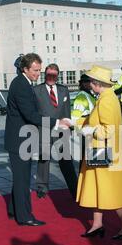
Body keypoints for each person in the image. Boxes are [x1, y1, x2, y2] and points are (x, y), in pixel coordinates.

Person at [4, 53, 70, 226]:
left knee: (20, 177)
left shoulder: (23, 83)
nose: (38, 74)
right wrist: (57, 122)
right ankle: (25, 217)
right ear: (25, 68)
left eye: (39, 70)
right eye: (35, 70)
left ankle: (13, 209)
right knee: (23, 179)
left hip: (22, 138)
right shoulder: (22, 86)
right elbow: (31, 115)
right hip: (19, 140)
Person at [76, 65, 122, 239]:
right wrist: (77, 122)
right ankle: (97, 224)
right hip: (103, 151)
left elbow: (108, 130)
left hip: (104, 152)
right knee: (98, 189)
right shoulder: (106, 97)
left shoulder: (106, 100)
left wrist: (90, 131)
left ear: (96, 83)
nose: (89, 84)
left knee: (109, 191)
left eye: (90, 82)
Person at [34, 64, 78, 200]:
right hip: (44, 129)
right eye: (48, 75)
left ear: (57, 76)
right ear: (45, 75)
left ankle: (74, 188)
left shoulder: (64, 90)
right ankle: (42, 188)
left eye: (54, 75)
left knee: (66, 160)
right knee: (44, 159)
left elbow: (66, 111)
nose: (51, 78)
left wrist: (69, 128)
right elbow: (34, 113)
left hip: (61, 130)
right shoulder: (36, 90)